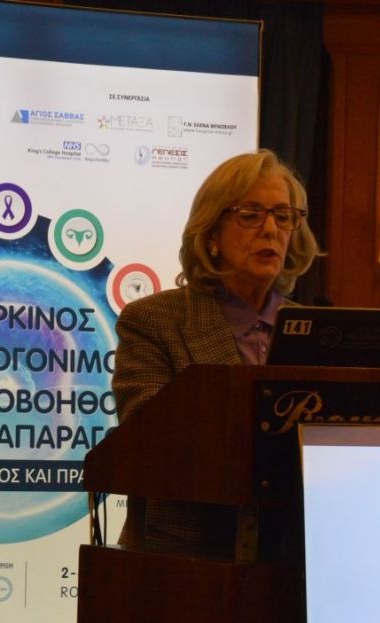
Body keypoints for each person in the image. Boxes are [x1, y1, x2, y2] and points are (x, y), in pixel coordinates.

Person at [112, 148, 322, 552]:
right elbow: (147, 440)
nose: (270, 229)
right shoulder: (154, 321)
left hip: (295, 560)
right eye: (251, 214)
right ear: (211, 235)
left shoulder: (317, 332)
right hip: (184, 559)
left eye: (283, 216)